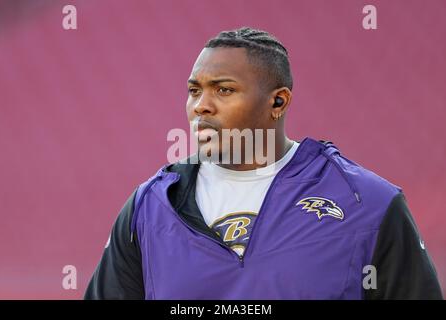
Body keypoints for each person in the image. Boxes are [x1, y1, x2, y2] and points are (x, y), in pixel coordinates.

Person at [84, 27, 443, 300]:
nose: (201, 107)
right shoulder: (149, 208)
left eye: (223, 90)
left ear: (278, 103)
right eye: (195, 90)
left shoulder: (367, 204)